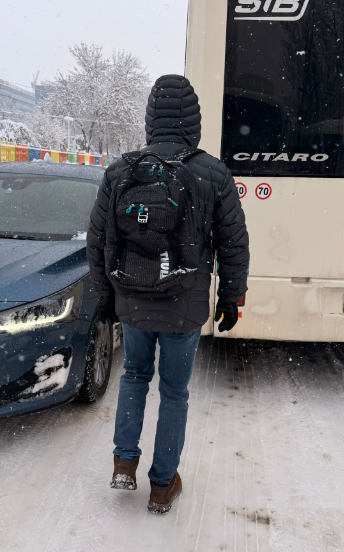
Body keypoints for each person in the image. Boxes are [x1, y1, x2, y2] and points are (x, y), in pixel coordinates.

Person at [86, 74, 249, 514]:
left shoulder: (121, 170)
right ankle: (162, 486)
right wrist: (231, 297)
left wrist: (106, 298)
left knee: (135, 376)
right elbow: (234, 242)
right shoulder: (212, 173)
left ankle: (124, 463)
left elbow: (98, 239)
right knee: (174, 392)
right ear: (193, 121)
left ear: (150, 118)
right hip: (185, 302)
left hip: (134, 300)